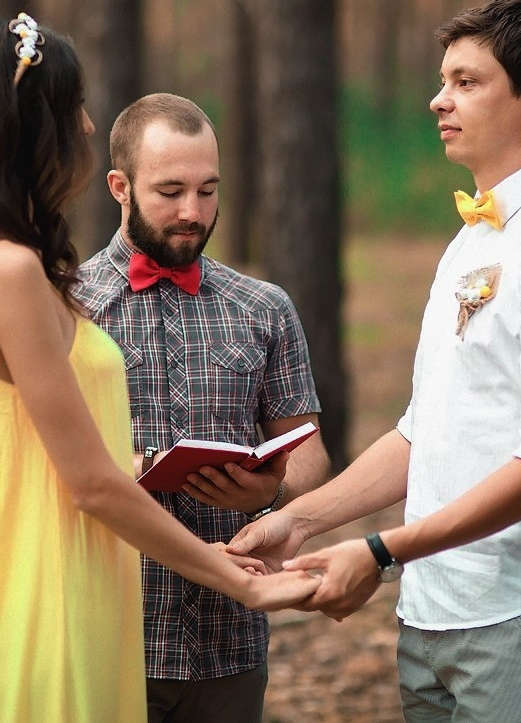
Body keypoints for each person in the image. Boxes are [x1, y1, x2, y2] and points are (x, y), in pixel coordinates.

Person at [0, 16, 320, 722]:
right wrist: (243, 582)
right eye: (72, 106)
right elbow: (89, 482)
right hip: (39, 606)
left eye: (208, 189)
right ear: (28, 128)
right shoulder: (10, 270)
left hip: (20, 595)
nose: (85, 124)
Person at [229, 0, 521, 721]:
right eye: (443, 80)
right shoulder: (471, 239)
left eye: (466, 81)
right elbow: (427, 431)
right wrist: (303, 522)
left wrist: (381, 550)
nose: (436, 99)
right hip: (432, 617)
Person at [74, 92, 330, 722]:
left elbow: (310, 459)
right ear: (119, 187)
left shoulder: (264, 308)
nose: (193, 212)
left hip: (231, 645)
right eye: (170, 192)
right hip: (103, 634)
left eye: (208, 190)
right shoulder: (66, 308)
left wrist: (264, 493)